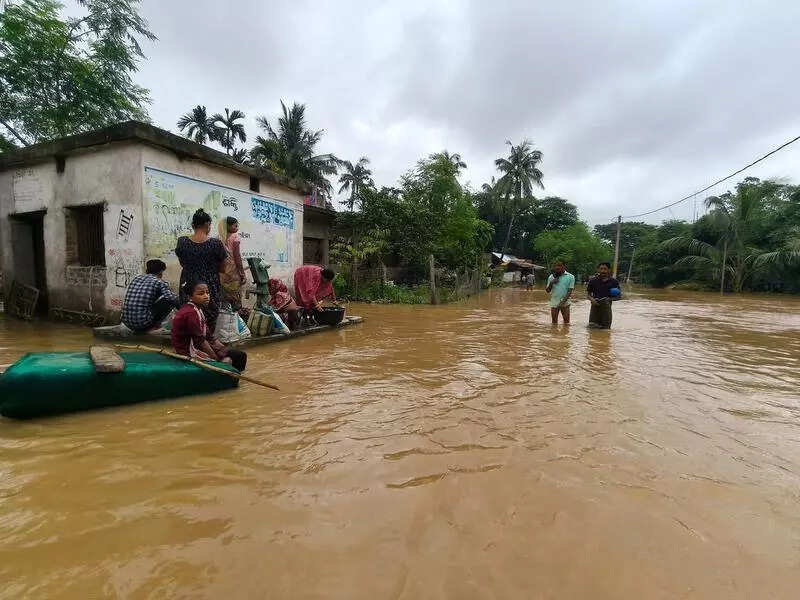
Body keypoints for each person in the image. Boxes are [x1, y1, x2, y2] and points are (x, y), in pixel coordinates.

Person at [171, 279, 247, 371]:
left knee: (239, 355)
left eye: (207, 293)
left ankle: (234, 377)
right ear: (189, 296)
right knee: (228, 360)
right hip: (187, 351)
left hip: (196, 345)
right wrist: (216, 359)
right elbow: (201, 341)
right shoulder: (190, 313)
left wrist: (223, 349)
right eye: (201, 294)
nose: (206, 296)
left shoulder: (197, 310)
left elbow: (209, 336)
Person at [175, 209, 227, 334]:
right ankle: (206, 345)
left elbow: (182, 263)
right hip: (209, 288)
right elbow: (223, 268)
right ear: (207, 225)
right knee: (208, 321)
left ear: (193, 225)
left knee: (189, 315)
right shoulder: (216, 244)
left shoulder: (182, 242)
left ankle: (190, 347)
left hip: (188, 287)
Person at [121, 259, 179, 332]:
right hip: (141, 323)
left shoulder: (137, 278)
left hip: (126, 322)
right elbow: (172, 298)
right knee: (168, 301)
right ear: (160, 271)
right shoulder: (159, 282)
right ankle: (153, 326)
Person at [218, 216, 247, 310]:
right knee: (235, 301)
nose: (237, 228)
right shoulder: (235, 238)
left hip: (222, 274)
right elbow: (237, 257)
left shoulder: (219, 238)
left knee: (224, 302)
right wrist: (242, 273)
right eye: (235, 226)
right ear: (228, 226)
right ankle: (236, 320)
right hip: (233, 273)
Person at [587, 262, 621, 329]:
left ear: (609, 270)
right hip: (595, 306)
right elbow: (588, 295)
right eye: (601, 269)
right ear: (598, 270)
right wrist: (592, 300)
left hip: (606, 308)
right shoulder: (593, 281)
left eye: (605, 269)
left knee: (606, 330)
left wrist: (609, 299)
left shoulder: (614, 282)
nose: (603, 271)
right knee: (592, 328)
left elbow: (619, 297)